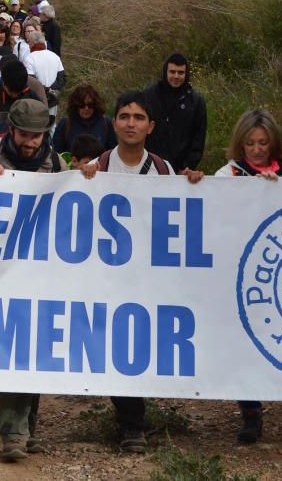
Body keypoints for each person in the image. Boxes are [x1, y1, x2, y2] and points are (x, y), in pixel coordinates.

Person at [80, 90, 203, 453]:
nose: (130, 123)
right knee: (117, 345)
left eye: (138, 117)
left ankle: (136, 416)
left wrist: (194, 185)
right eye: (123, 116)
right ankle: (131, 425)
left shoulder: (164, 171)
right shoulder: (97, 168)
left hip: (148, 277)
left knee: (143, 344)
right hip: (107, 277)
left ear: (151, 126)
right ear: (113, 122)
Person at [0, 98, 67, 461]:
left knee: (36, 350)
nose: (31, 142)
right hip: (1, 273)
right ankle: (13, 431)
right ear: (11, 130)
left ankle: (28, 425)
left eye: (38, 135)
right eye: (25, 134)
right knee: (14, 349)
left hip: (42, 274)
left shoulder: (57, 164)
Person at [213, 109, 282, 444]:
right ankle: (250, 410)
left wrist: (279, 191)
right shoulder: (228, 173)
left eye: (263, 143)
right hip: (235, 268)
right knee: (240, 340)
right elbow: (211, 205)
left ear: (273, 143)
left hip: (275, 272)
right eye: (250, 143)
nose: (257, 149)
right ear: (240, 143)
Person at [142, 53, 207, 174]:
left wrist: (188, 166)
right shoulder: (148, 96)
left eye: (180, 73)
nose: (176, 76)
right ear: (165, 72)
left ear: (186, 74)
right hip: (149, 168)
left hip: (180, 172)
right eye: (172, 72)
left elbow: (198, 139)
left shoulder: (196, 102)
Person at [52, 84, 118, 154]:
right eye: (81, 105)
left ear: (95, 105)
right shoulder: (65, 124)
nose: (86, 108)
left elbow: (113, 153)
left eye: (90, 105)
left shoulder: (106, 123)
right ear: (75, 105)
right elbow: (56, 154)